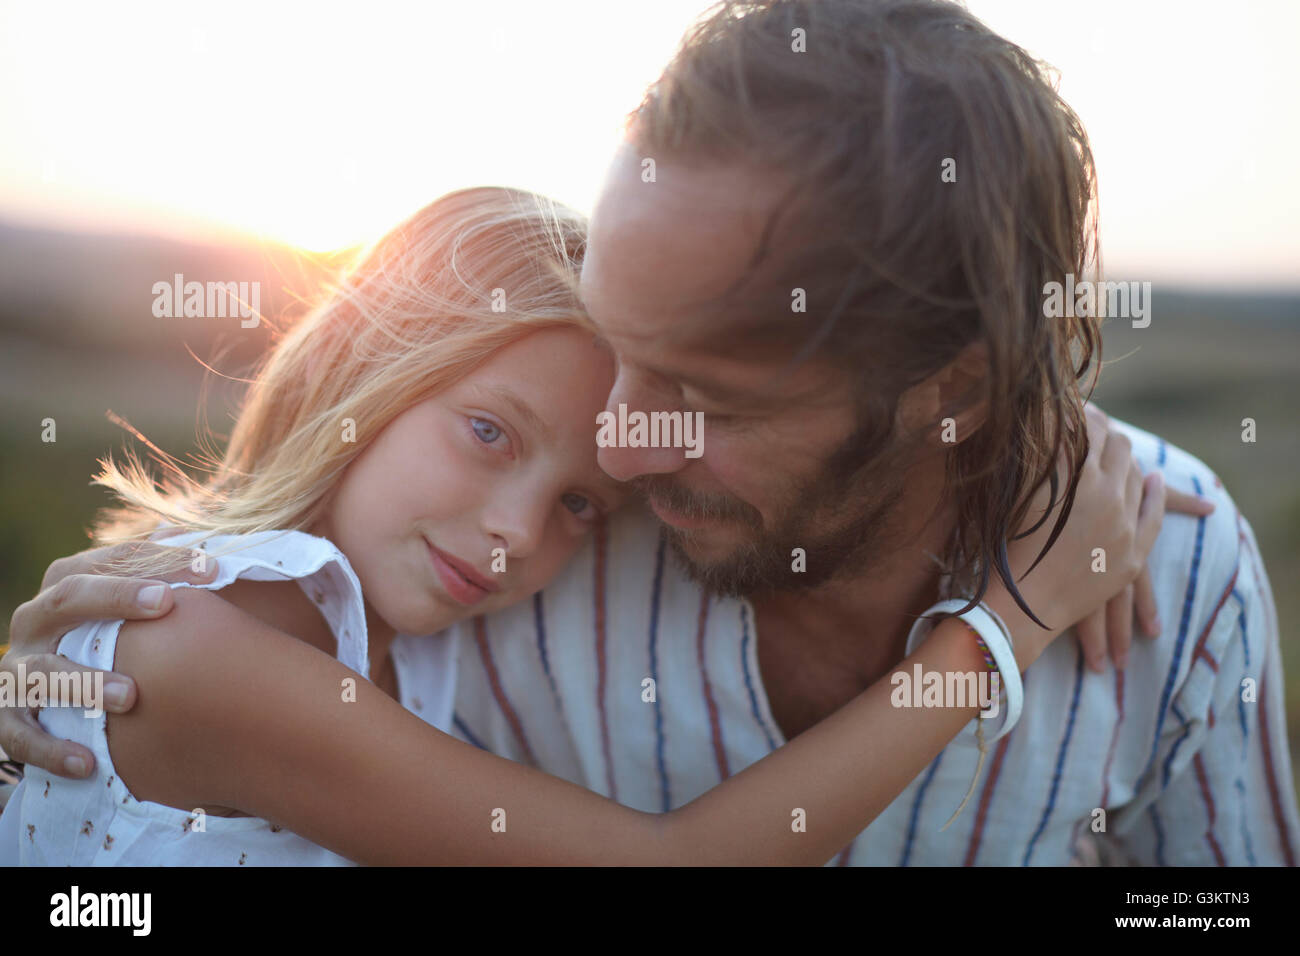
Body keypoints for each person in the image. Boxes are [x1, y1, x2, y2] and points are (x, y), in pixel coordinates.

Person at [8, 0, 1296, 866]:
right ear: (359, 369)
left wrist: (1050, 420)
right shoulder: (180, 646)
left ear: (951, 394)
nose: (618, 457)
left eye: (702, 397)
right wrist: (1004, 629)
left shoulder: (1171, 573)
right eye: (491, 432)